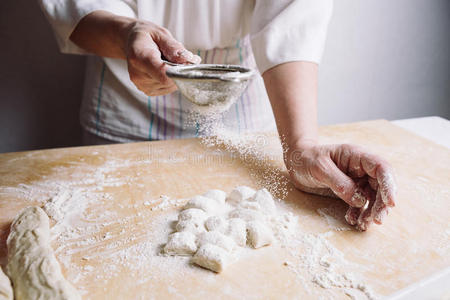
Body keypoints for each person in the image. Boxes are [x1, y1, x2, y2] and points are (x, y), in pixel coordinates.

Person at [38, 0, 396, 231]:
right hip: (125, 86)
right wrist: (125, 33)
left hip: (239, 89)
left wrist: (300, 145)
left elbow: (292, 16)